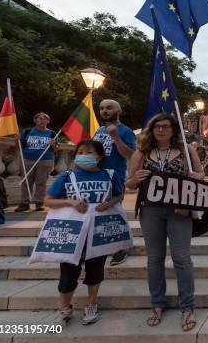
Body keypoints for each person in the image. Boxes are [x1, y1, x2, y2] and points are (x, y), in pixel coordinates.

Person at [125, 113, 204, 332]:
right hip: (151, 210)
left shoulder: (187, 151)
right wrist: (136, 179)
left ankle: (187, 306)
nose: (161, 130)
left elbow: (201, 175)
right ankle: (157, 303)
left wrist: (195, 177)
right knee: (155, 259)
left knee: (182, 259)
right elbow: (129, 184)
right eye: (157, 127)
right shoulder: (141, 153)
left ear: (173, 130)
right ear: (151, 130)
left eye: (166, 127)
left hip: (179, 210)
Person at [46, 139, 124, 326]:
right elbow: (48, 201)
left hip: (99, 230)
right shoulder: (67, 176)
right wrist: (70, 202)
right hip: (72, 230)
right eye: (80, 152)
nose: (84, 155)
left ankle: (92, 304)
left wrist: (111, 202)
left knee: (96, 269)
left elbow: (119, 195)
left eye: (89, 152)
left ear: (99, 156)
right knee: (68, 271)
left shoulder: (109, 175)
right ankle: (64, 308)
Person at [93, 99, 136, 266]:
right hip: (97, 177)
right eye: (102, 108)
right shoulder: (99, 130)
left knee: (116, 212)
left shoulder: (126, 131)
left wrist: (116, 137)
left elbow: (130, 154)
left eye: (109, 108)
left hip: (114, 178)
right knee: (97, 211)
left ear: (119, 110)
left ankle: (122, 247)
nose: (105, 111)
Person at [15, 112, 57, 212]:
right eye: (39, 118)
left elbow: (56, 150)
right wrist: (16, 141)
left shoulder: (52, 133)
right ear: (35, 120)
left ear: (48, 121)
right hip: (27, 160)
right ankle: (25, 203)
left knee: (41, 182)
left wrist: (53, 144)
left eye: (44, 119)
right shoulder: (27, 132)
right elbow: (19, 146)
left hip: (45, 161)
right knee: (26, 182)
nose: (42, 121)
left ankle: (39, 203)